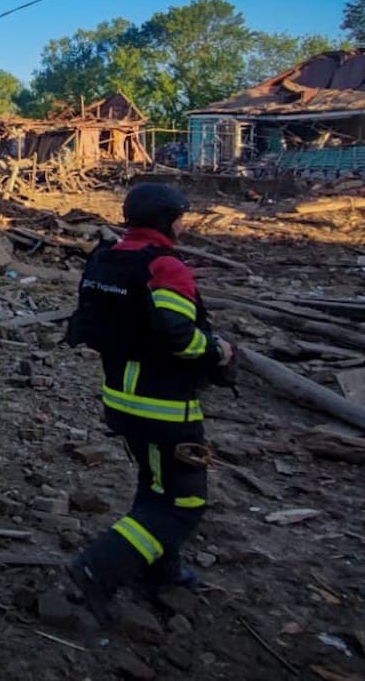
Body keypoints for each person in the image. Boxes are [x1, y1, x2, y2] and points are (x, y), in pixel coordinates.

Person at [64, 182, 234, 626]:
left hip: (120, 398)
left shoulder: (110, 259)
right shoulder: (164, 265)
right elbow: (177, 335)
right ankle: (95, 568)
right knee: (182, 503)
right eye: (180, 217)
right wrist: (216, 350)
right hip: (163, 408)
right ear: (165, 220)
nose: (183, 225)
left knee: (154, 487)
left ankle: (163, 569)